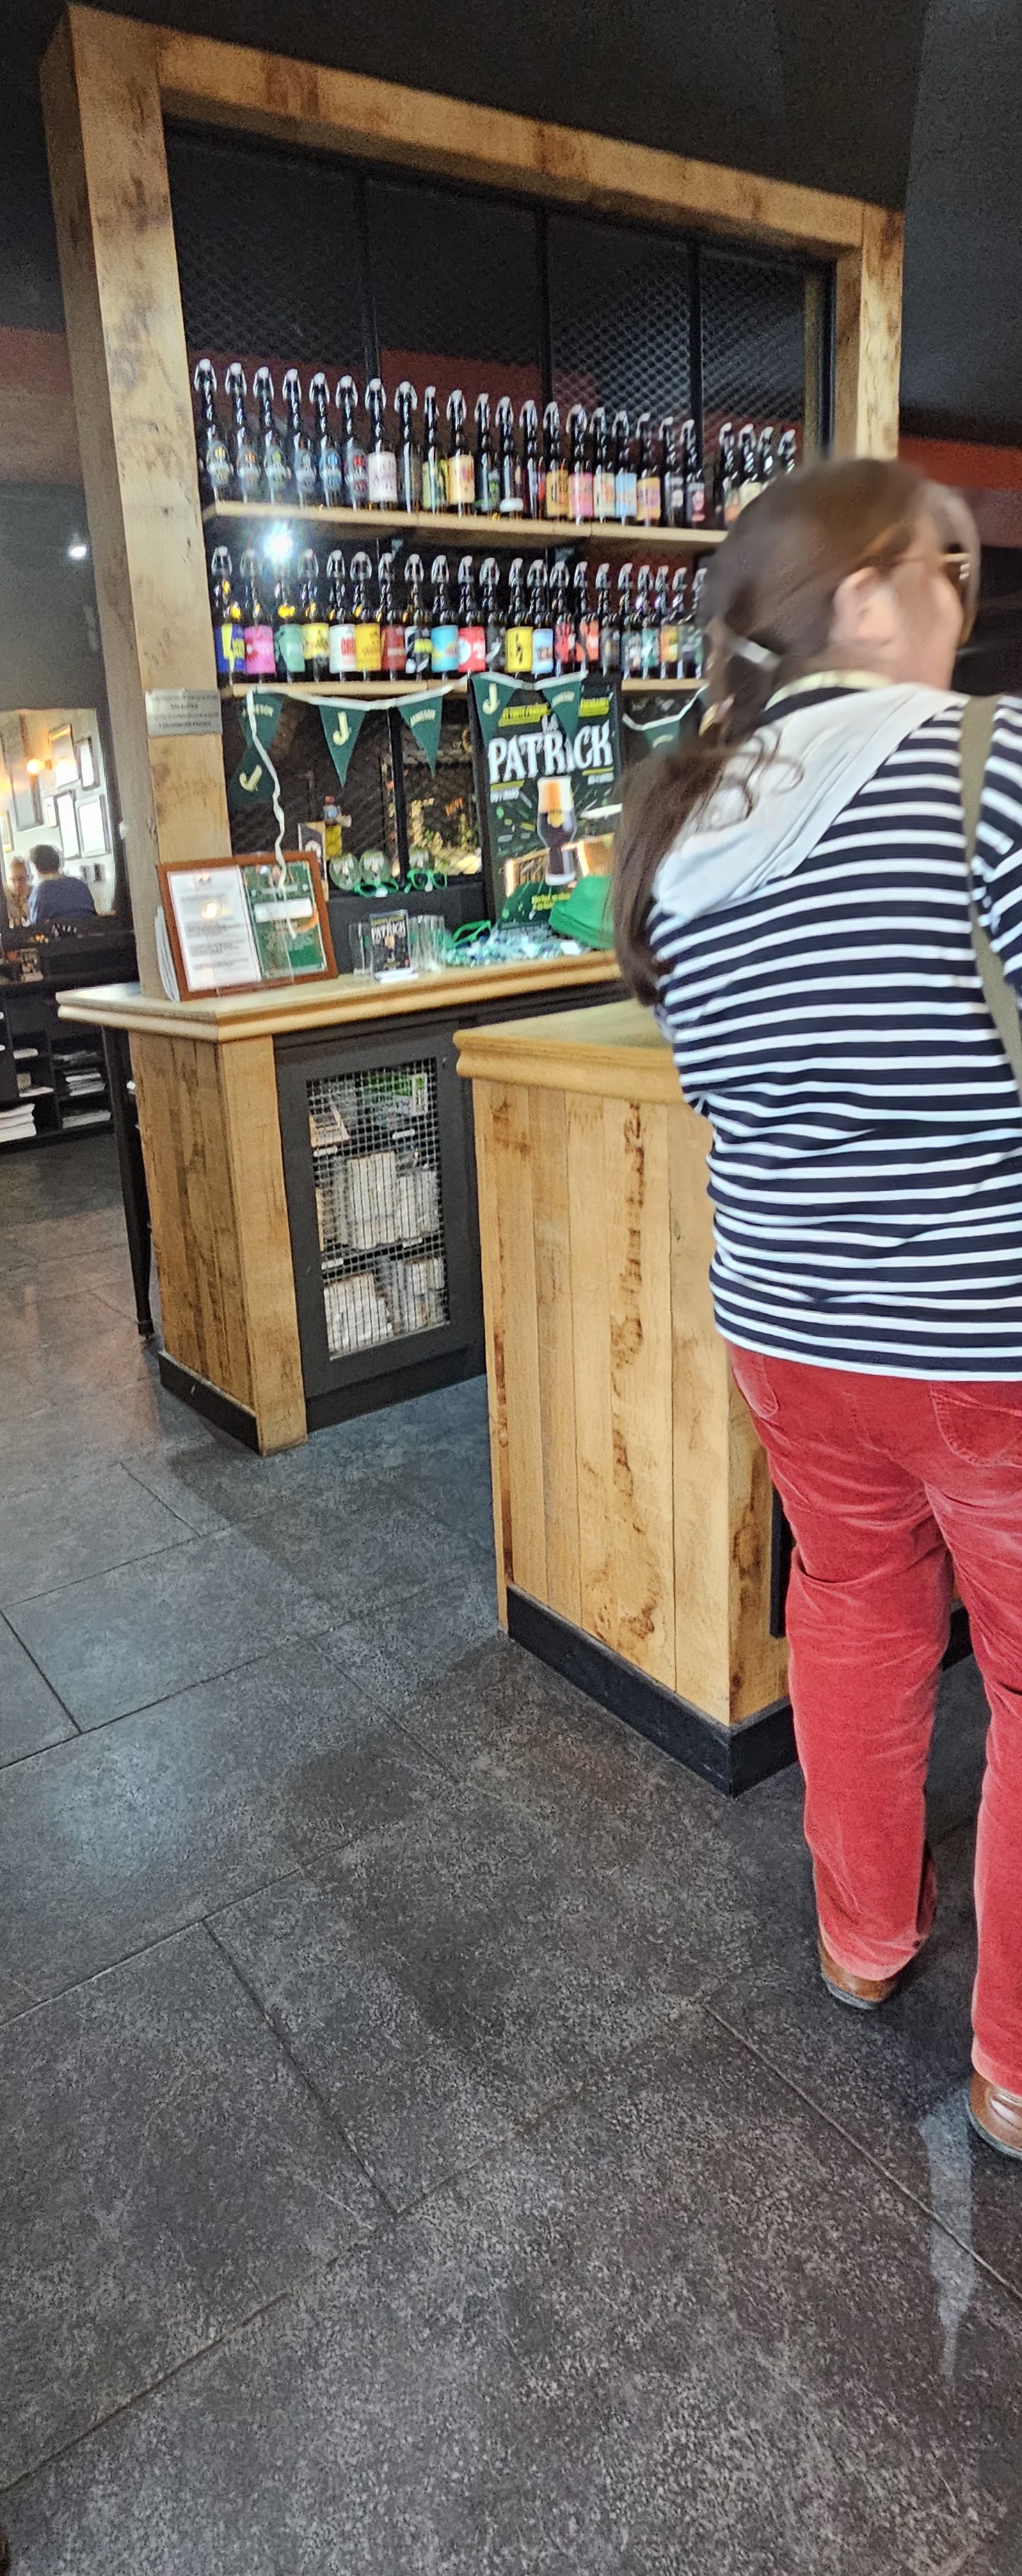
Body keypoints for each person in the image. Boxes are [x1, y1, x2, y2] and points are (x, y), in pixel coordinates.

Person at [613, 454, 1022, 2161]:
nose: (962, 607)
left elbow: (727, 1086)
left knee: (852, 1608)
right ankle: (1013, 2060)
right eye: (947, 568)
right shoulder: (983, 767)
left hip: (785, 1325)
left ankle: (862, 1940)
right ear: (864, 593)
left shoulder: (685, 824)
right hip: (982, 1334)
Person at [28, 842, 96, 923]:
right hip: (89, 929)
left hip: (61, 931)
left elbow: (36, 925)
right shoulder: (80, 885)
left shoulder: (40, 893)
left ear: (35, 867)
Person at [4, 855, 31, 929]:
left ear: (27, 878)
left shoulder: (34, 894)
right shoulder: (1, 896)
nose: (17, 885)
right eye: (13, 880)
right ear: (7, 880)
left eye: (21, 879)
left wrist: (24, 900)